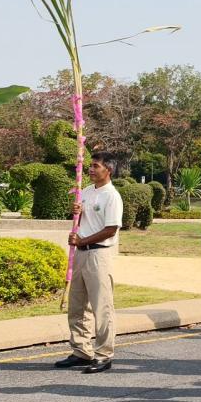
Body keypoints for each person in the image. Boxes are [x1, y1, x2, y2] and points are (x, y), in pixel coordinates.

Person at [58, 153, 124, 374]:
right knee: (78, 304)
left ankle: (104, 354)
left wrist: (83, 240)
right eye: (91, 166)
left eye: (96, 166)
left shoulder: (112, 196)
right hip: (80, 254)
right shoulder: (85, 191)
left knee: (101, 306)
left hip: (99, 255)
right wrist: (76, 212)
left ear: (109, 170)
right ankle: (81, 350)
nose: (91, 169)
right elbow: (82, 220)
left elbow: (111, 228)